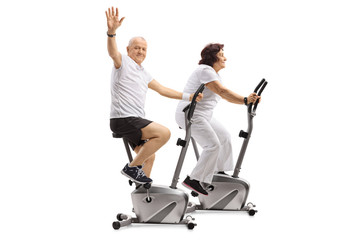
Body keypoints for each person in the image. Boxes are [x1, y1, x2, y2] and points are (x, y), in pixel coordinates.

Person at [105, 7, 202, 184]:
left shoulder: (143, 73)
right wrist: (111, 33)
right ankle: (132, 168)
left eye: (143, 49)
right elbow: (112, 53)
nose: (140, 51)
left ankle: (142, 200)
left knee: (149, 156)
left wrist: (190, 97)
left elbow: (162, 90)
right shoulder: (123, 62)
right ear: (128, 49)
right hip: (124, 119)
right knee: (164, 133)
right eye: (136, 48)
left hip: (133, 121)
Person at [175, 43, 261, 195]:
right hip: (190, 113)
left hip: (204, 115)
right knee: (213, 145)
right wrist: (245, 100)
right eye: (221, 55)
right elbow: (222, 92)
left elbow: (224, 94)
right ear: (212, 57)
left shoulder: (213, 74)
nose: (225, 58)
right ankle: (194, 179)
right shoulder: (205, 70)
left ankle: (218, 173)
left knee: (224, 137)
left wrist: (247, 100)